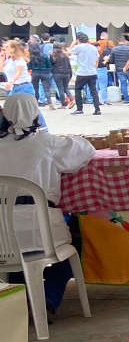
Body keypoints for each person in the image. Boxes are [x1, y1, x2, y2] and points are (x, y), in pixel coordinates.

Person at [0, 93, 94, 317]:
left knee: (17, 258)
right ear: (35, 114)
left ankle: (21, 301)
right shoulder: (47, 143)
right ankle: (46, 298)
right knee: (77, 244)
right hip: (39, 231)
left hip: (2, 238)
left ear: (5, 114)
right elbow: (87, 150)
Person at [69, 32, 102, 116]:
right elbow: (97, 58)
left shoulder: (78, 47)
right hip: (92, 72)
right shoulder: (93, 48)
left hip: (82, 72)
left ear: (78, 40)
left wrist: (73, 43)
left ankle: (79, 109)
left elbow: (69, 52)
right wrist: (95, 67)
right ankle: (97, 109)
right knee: (93, 91)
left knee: (78, 89)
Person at [109, 37, 129, 104]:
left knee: (123, 84)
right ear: (124, 41)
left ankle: (126, 99)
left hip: (120, 69)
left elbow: (111, 60)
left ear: (118, 41)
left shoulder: (114, 49)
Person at [28, 41, 53, 107]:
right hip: (44, 73)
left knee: (35, 89)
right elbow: (49, 65)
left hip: (35, 73)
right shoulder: (44, 56)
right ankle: (50, 102)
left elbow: (29, 66)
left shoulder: (30, 57)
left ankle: (35, 102)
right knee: (46, 89)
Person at [50, 42, 72, 109]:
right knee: (66, 88)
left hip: (57, 73)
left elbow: (51, 64)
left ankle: (63, 104)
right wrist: (70, 74)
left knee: (60, 89)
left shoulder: (53, 55)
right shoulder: (65, 55)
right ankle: (72, 99)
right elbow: (69, 65)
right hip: (66, 73)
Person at [95, 31, 112, 101]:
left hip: (94, 69)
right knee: (104, 85)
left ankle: (94, 99)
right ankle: (104, 99)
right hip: (104, 67)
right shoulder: (110, 43)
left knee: (95, 85)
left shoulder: (97, 42)